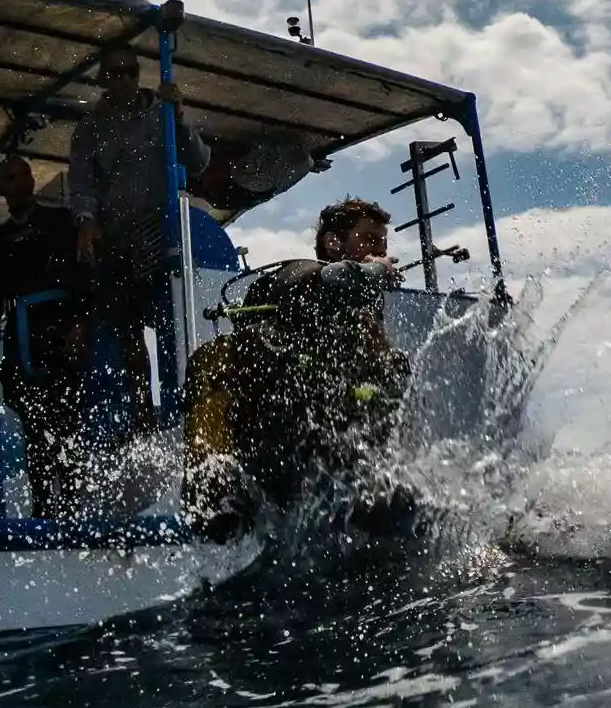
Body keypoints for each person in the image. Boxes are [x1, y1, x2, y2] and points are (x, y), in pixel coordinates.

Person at [216, 198, 411, 518]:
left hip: (325, 460)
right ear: (333, 243)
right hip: (279, 451)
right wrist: (379, 269)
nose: (378, 250)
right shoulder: (303, 272)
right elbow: (336, 279)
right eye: (368, 239)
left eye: (383, 244)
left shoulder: (357, 312)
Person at [67, 42, 210, 429]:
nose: (126, 79)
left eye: (131, 71)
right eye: (116, 73)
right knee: (125, 332)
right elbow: (81, 184)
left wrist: (178, 117)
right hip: (116, 239)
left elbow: (199, 162)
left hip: (162, 234)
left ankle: (182, 414)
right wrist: (86, 221)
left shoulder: (162, 114)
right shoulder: (89, 129)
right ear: (103, 80)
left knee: (171, 323)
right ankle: (140, 415)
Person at [0, 156, 87, 519]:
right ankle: (43, 509)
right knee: (33, 428)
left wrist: (80, 323)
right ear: (1, 189)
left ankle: (73, 507)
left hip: (59, 328)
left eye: (21, 176)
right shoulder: (0, 237)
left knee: (67, 422)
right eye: (8, 179)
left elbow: (82, 272)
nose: (16, 184)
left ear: (32, 181)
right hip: (21, 337)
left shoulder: (60, 221)